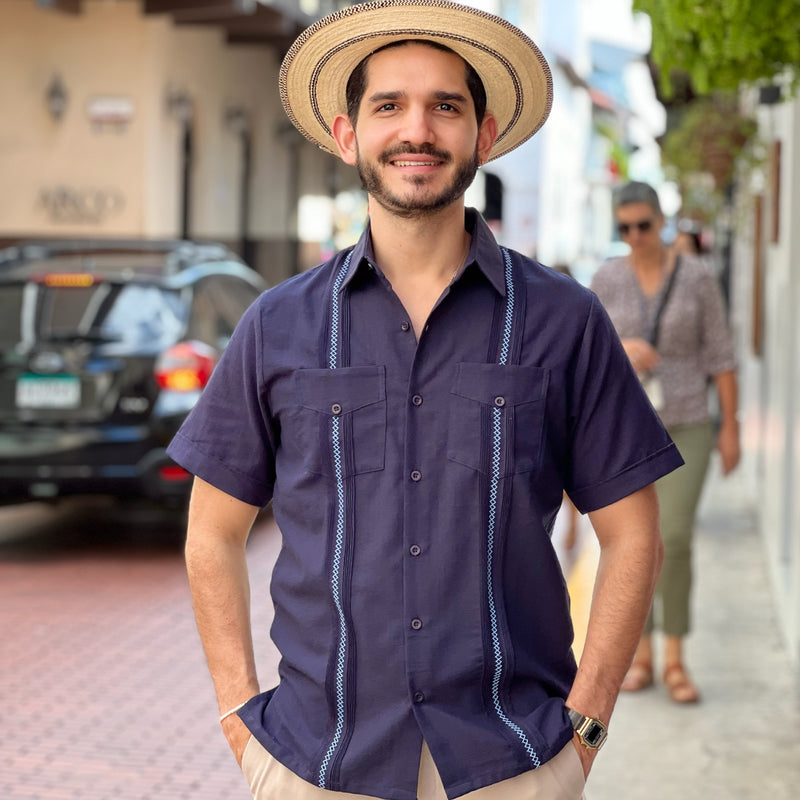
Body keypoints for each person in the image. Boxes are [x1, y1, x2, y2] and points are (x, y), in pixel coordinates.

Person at [168, 4, 683, 799]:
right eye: (389, 106)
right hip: (319, 762)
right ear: (347, 136)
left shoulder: (563, 320)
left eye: (446, 105)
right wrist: (239, 715)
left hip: (514, 762)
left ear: (483, 135)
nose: (419, 130)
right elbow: (213, 530)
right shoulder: (279, 325)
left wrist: (586, 726)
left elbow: (633, 534)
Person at [590, 181, 740, 704]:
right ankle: (644, 654)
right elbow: (584, 355)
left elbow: (721, 354)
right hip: (627, 427)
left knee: (673, 539)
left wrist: (731, 426)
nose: (635, 237)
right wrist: (621, 345)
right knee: (637, 543)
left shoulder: (696, 278)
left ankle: (674, 656)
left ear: (662, 222)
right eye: (624, 227)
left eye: (643, 226)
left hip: (688, 422)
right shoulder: (606, 278)